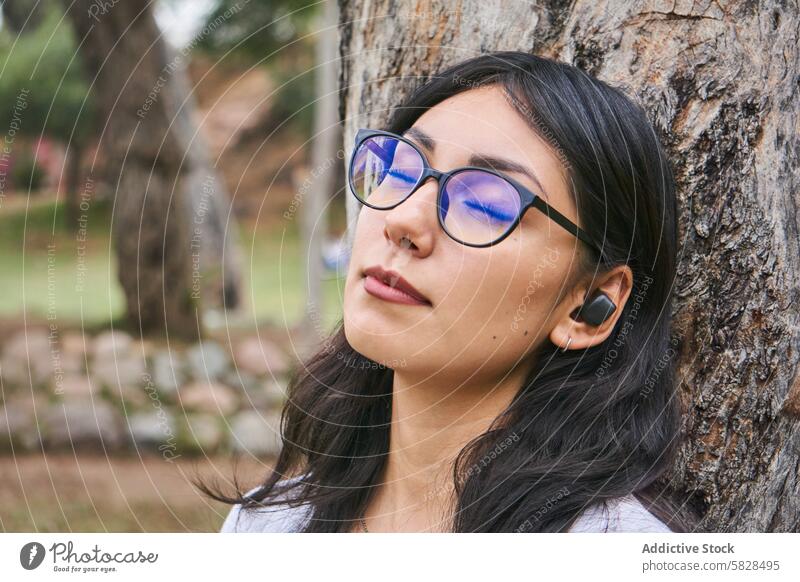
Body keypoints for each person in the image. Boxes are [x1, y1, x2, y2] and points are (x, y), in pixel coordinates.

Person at [203, 50, 689, 533]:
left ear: (588, 305)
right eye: (399, 168)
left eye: (485, 201)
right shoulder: (267, 525)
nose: (404, 221)